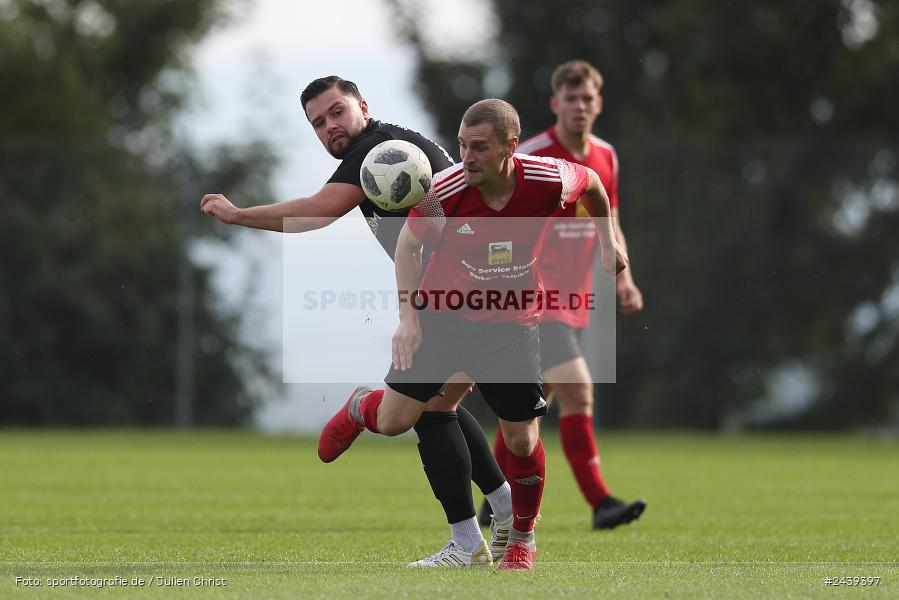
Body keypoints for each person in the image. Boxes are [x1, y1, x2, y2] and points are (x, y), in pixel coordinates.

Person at [199, 76, 512, 551]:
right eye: (318, 123)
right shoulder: (384, 144)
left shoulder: (378, 151)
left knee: (401, 418)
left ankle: (363, 409)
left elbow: (318, 210)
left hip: (461, 297)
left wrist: (239, 214)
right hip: (465, 296)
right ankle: (497, 516)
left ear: (363, 106)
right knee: (438, 406)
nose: (330, 127)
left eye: (337, 112)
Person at [318, 98, 628, 570]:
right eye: (462, 146)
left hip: (513, 321)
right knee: (397, 420)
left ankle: (520, 539)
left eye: (479, 148)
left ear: (511, 146)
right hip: (443, 313)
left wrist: (610, 244)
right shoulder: (444, 189)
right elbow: (408, 246)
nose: (466, 157)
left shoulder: (547, 179)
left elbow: (595, 185)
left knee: (522, 441)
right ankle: (365, 405)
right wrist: (408, 318)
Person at [478, 60, 646, 530]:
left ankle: (494, 504)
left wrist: (624, 278)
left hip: (573, 298)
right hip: (533, 299)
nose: (579, 106)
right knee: (578, 390)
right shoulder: (531, 155)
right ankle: (600, 504)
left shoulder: (606, 157)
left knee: (529, 407)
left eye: (586, 97)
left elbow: (608, 221)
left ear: (598, 103)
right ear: (555, 105)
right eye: (569, 98)